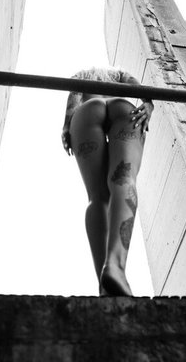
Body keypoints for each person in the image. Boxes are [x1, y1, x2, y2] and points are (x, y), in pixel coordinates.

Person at [61, 66, 154, 297]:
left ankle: (104, 287)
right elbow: (138, 86)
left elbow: (73, 98)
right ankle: (115, 266)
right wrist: (148, 104)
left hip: (86, 112)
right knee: (124, 179)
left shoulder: (81, 75)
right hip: (123, 108)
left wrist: (67, 126)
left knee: (97, 197)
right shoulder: (119, 74)